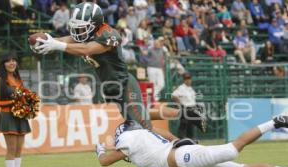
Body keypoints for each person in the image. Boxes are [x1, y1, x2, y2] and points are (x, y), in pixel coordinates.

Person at [31, 2, 200, 136]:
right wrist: (49, 41)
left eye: (81, 27)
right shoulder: (89, 34)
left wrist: (56, 45)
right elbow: (69, 39)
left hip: (124, 84)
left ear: (95, 24)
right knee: (144, 115)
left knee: (144, 127)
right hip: (112, 88)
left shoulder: (109, 35)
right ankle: (185, 113)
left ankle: (183, 148)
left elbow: (87, 49)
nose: (77, 31)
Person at [96, 116, 288, 167]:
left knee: (233, 148)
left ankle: (274, 123)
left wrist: (100, 150)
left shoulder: (130, 137)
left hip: (184, 158)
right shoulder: (143, 154)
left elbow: (105, 162)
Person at [0, 52, 31, 167]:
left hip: (20, 116)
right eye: (8, 61)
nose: (12, 63)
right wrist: (13, 102)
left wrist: (29, 102)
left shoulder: (18, 79)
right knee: (11, 148)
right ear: (3, 64)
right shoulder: (0, 81)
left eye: (14, 60)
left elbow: (24, 96)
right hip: (8, 116)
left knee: (19, 149)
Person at [172, 72, 206, 138]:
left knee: (190, 127)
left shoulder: (190, 89)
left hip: (192, 109)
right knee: (184, 125)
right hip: (186, 109)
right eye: (186, 78)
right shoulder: (181, 87)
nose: (188, 80)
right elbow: (174, 96)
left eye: (189, 78)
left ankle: (190, 142)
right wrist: (180, 105)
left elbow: (193, 100)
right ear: (184, 80)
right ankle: (181, 140)